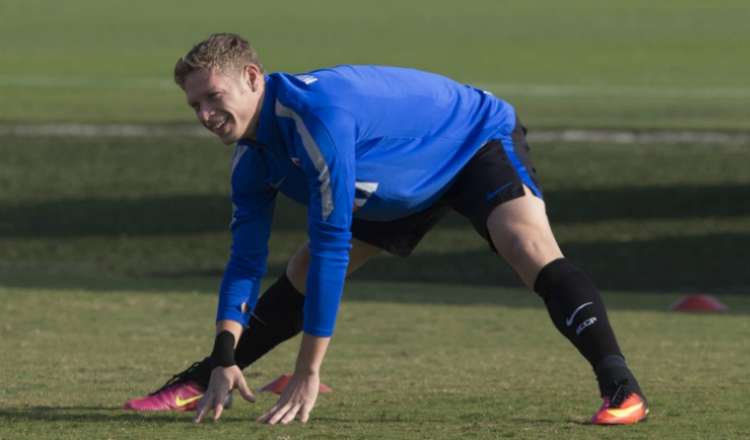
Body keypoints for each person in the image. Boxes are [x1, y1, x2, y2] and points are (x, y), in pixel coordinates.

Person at [124, 33, 648, 426]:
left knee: (526, 247)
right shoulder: (251, 161)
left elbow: (333, 245)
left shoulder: (315, 120)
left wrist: (308, 372)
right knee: (300, 272)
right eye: (195, 105)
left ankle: (621, 389)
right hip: (392, 177)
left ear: (254, 78)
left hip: (469, 140)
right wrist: (224, 352)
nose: (206, 114)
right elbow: (244, 260)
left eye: (214, 97)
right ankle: (204, 377)